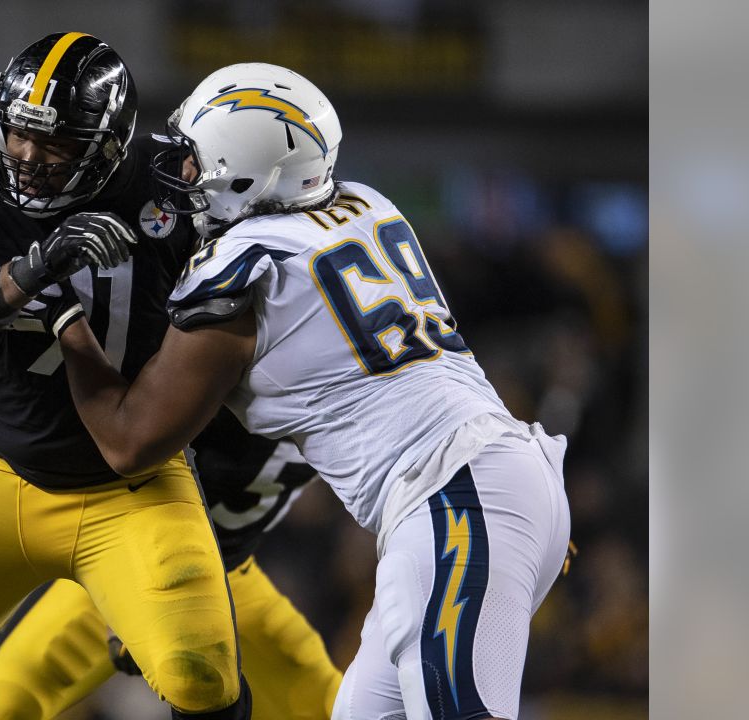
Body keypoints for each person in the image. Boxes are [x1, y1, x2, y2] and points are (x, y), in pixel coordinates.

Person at [51, 63, 573, 720]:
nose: (180, 173)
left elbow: (130, 440)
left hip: (453, 498)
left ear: (241, 168)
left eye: (193, 158)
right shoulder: (365, 202)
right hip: (493, 482)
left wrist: (65, 324)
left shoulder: (242, 264)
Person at [0, 32, 251, 720]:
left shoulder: (179, 185)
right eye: (19, 136)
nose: (29, 158)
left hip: (137, 488)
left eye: (57, 143)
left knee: (200, 678)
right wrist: (31, 269)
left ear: (111, 143)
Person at [0, 406, 344, 720]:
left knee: (333, 706)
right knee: (1, 702)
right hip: (137, 564)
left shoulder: (359, 381)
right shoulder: (244, 347)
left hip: (229, 575)